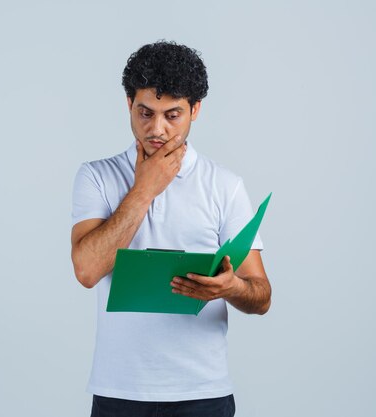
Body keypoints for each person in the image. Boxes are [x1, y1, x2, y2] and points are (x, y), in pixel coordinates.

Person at [70, 40, 272, 417]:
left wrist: (232, 288)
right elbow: (86, 269)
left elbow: (261, 295)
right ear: (128, 103)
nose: (156, 129)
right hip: (118, 391)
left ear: (195, 110)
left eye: (173, 115)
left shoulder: (225, 185)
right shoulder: (96, 176)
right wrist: (145, 188)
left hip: (203, 393)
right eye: (145, 112)